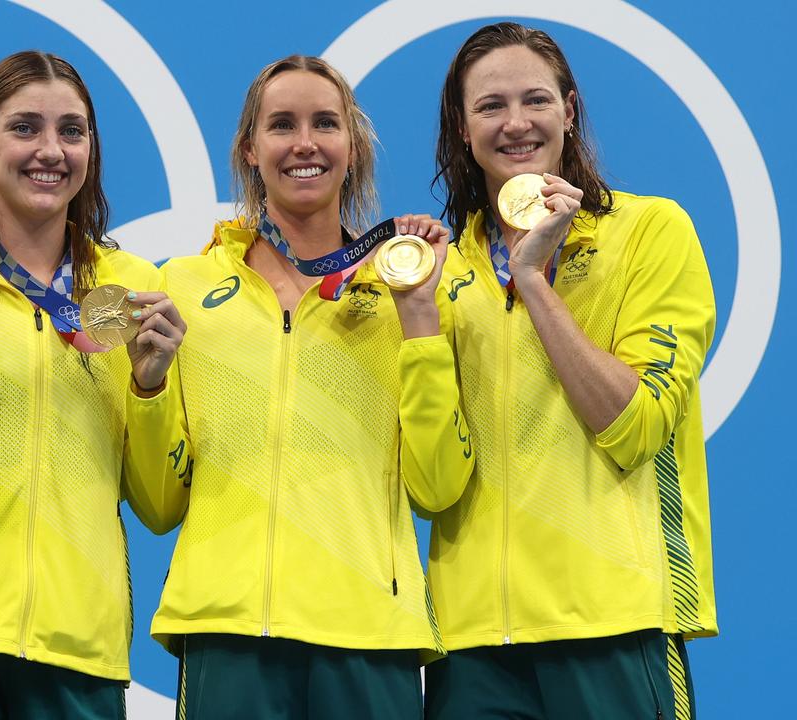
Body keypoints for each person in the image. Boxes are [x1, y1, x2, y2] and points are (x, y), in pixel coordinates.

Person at [151, 55, 474, 719]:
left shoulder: (406, 288)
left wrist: (417, 317)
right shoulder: (182, 288)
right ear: (250, 149)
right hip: (228, 630)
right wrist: (148, 388)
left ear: (352, 148)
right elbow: (158, 501)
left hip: (369, 637)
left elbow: (438, 485)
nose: (304, 142)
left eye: (326, 123)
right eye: (282, 125)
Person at [424, 22, 717, 720]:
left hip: (615, 622)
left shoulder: (651, 231)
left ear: (570, 110)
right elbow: (431, 478)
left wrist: (532, 278)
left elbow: (635, 423)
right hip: (471, 644)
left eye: (536, 100)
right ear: (462, 129)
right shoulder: (442, 272)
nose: (516, 123)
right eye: (490, 106)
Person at [0, 50, 188, 720]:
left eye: (72, 131)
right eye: (25, 127)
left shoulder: (132, 289)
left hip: (78, 649)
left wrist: (149, 387)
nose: (51, 151)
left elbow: (161, 503)